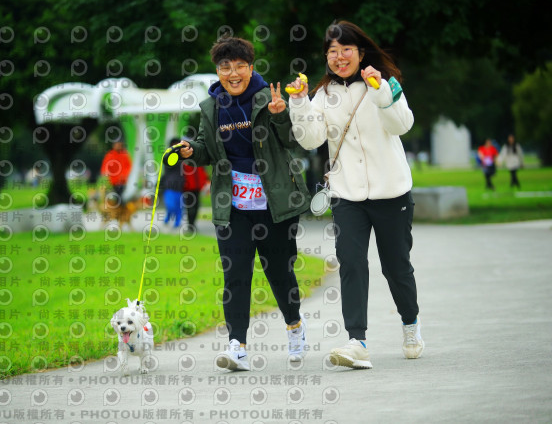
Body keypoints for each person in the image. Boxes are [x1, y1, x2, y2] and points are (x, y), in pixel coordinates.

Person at [286, 20, 424, 369]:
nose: (339, 57)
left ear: (361, 53)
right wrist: (299, 103)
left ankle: (410, 323)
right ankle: (357, 341)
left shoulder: (385, 83)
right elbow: (311, 139)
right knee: (351, 262)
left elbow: (401, 125)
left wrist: (380, 91)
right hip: (347, 194)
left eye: (346, 49)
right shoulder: (323, 94)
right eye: (332, 51)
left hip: (391, 192)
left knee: (396, 267)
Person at [178, 36, 312, 371]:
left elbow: (292, 142)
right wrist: (192, 150)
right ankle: (237, 345)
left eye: (240, 66)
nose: (233, 73)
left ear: (251, 68)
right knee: (235, 275)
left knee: (279, 272)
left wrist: (281, 115)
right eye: (226, 67)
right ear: (218, 71)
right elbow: (207, 149)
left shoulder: (269, 98)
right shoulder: (211, 107)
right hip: (232, 206)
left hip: (273, 204)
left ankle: (295, 326)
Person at [181, 155, 210, 234]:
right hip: (188, 188)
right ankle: (191, 225)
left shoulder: (199, 161)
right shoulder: (185, 162)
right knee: (190, 208)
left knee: (196, 206)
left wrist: (205, 182)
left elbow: (203, 172)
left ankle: (192, 224)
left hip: (197, 187)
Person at [161, 138, 185, 229]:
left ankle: (177, 223)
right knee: (170, 205)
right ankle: (168, 216)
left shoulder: (184, 157)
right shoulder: (168, 156)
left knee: (179, 207)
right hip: (169, 186)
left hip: (180, 186)